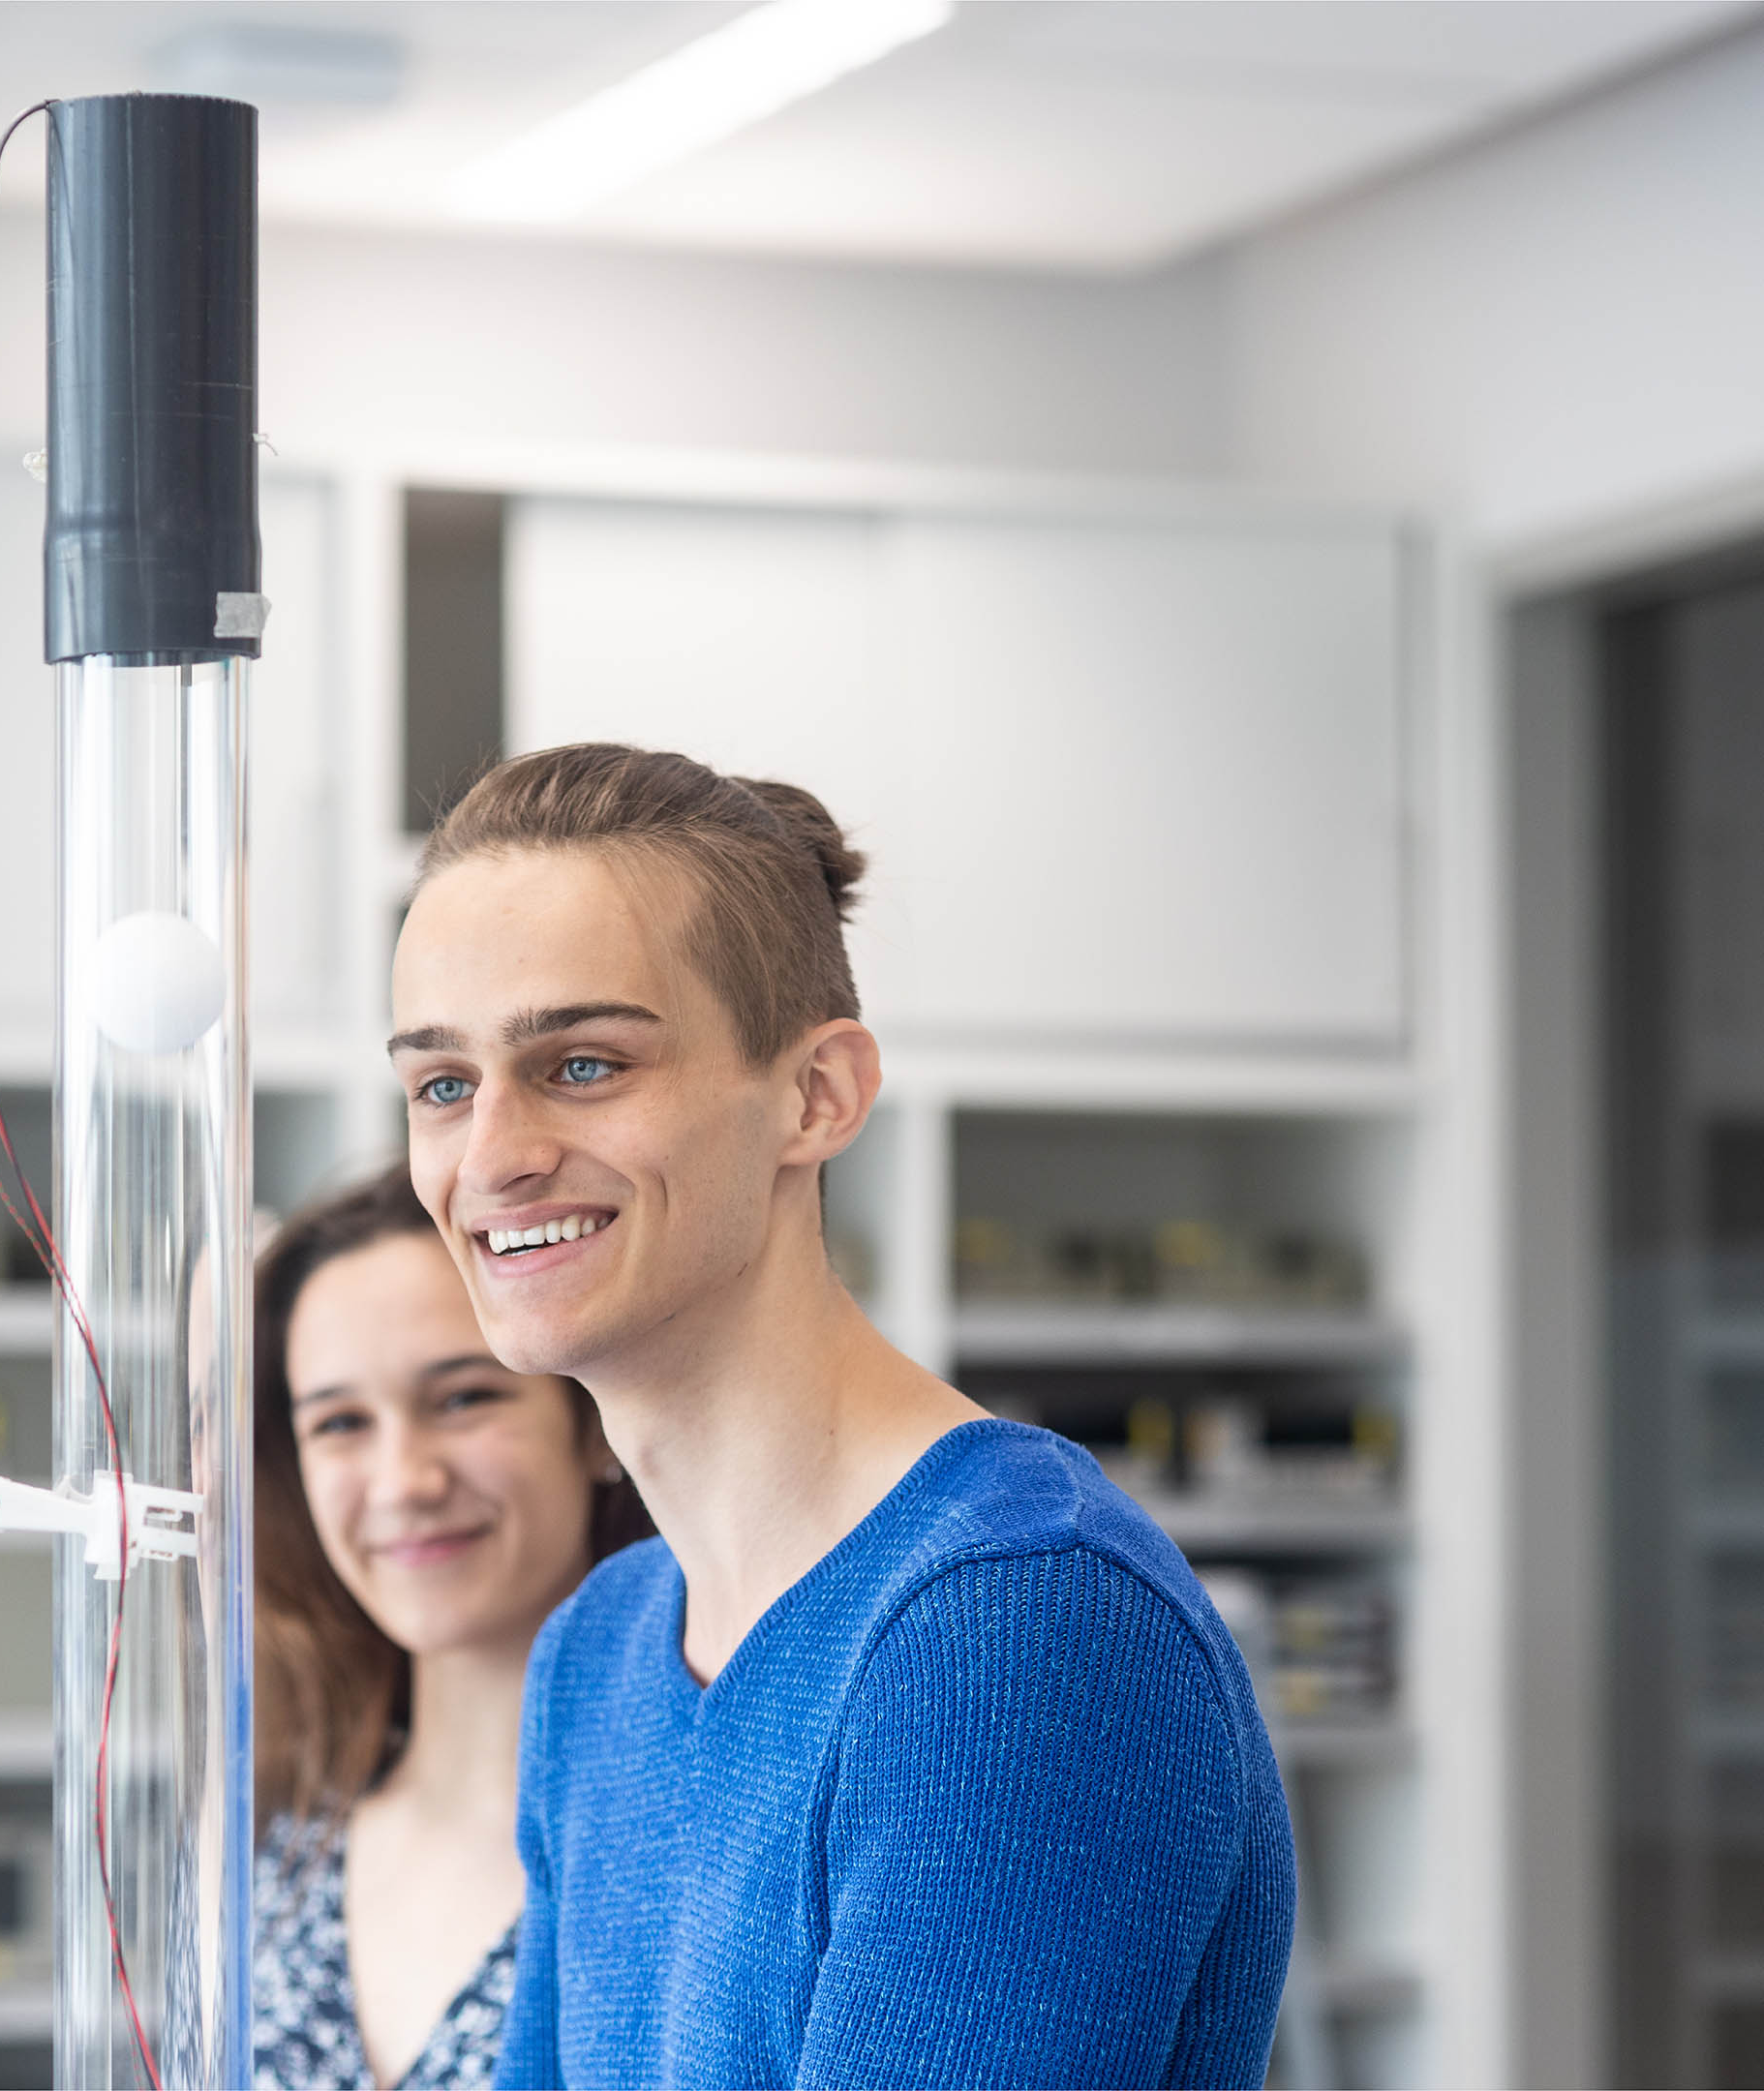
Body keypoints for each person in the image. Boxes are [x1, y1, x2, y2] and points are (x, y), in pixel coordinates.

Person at [386, 743, 1296, 2090]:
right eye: (443, 1085)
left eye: (582, 1064)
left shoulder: (1015, 1623)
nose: (494, 1154)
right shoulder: (601, 1651)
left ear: (817, 1095)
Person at [251, 1164, 652, 2091]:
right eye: (341, 1423)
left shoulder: (690, 1843)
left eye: (464, 1397)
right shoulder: (280, 1849)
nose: (402, 1482)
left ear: (592, 1425)